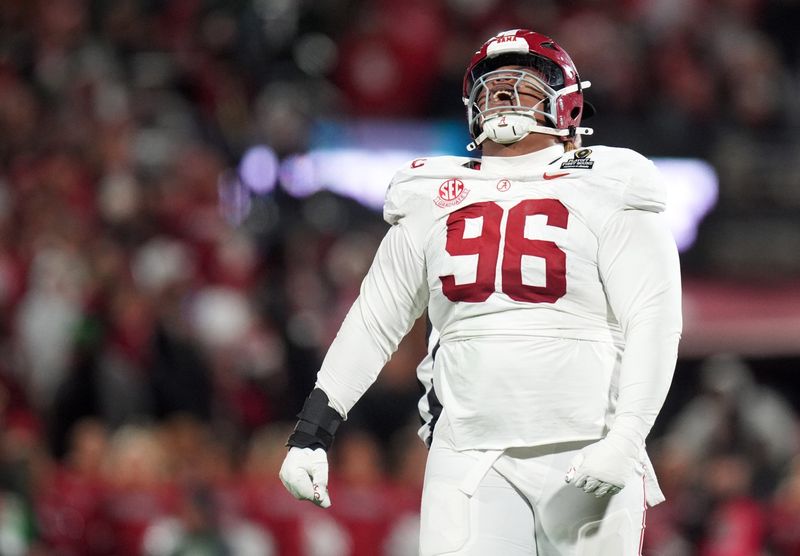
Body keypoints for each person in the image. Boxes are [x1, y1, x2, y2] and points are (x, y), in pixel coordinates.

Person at [280, 28, 682, 555]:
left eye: (524, 83)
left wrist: (627, 437)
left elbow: (654, 320)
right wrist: (313, 430)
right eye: (492, 86)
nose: (504, 95)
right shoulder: (430, 193)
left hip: (588, 440)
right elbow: (374, 319)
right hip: (469, 448)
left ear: (569, 105)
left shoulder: (609, 181)